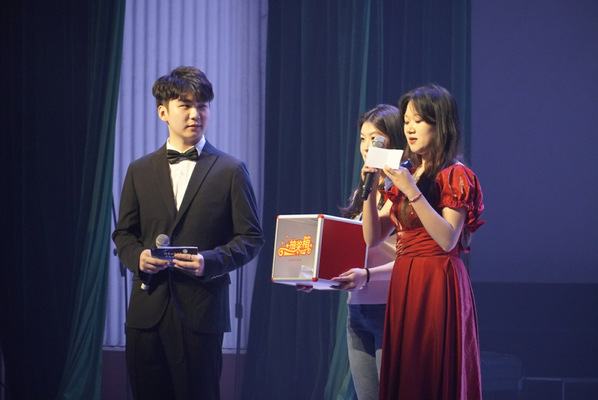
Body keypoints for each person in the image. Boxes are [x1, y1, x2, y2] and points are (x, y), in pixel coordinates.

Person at [112, 66, 264, 400]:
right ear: (163, 112)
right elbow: (123, 234)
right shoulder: (139, 170)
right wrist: (138, 256)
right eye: (185, 105)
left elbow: (251, 238)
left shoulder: (231, 170)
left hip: (201, 310)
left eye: (203, 105)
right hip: (146, 309)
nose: (196, 114)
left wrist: (209, 261)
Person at [360, 84, 484, 399]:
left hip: (436, 279)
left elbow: (447, 239)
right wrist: (370, 189)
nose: (410, 128)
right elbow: (372, 238)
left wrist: (412, 192)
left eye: (418, 120)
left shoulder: (455, 175)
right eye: (406, 121)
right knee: (408, 374)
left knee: (431, 368)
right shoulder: (408, 174)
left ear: (439, 124)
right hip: (405, 279)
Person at [326, 104, 405, 400]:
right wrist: (316, 278)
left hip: (390, 308)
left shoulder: (405, 188)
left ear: (394, 141)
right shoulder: (367, 188)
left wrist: (368, 275)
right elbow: (357, 250)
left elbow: (411, 260)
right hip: (357, 309)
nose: (367, 146)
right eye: (362, 138)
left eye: (376, 139)